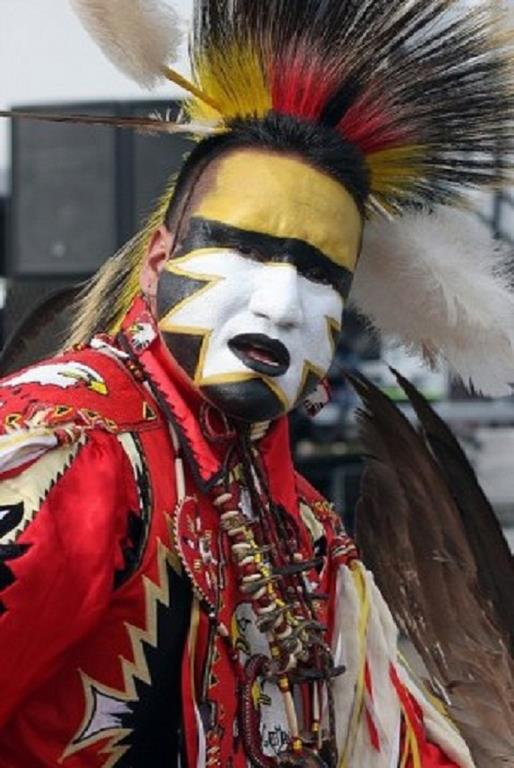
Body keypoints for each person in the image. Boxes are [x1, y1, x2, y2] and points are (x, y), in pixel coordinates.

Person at [1, 1, 513, 766]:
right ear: (158, 256)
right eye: (242, 247)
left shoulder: (305, 529)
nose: (280, 302)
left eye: (318, 273)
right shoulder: (76, 450)